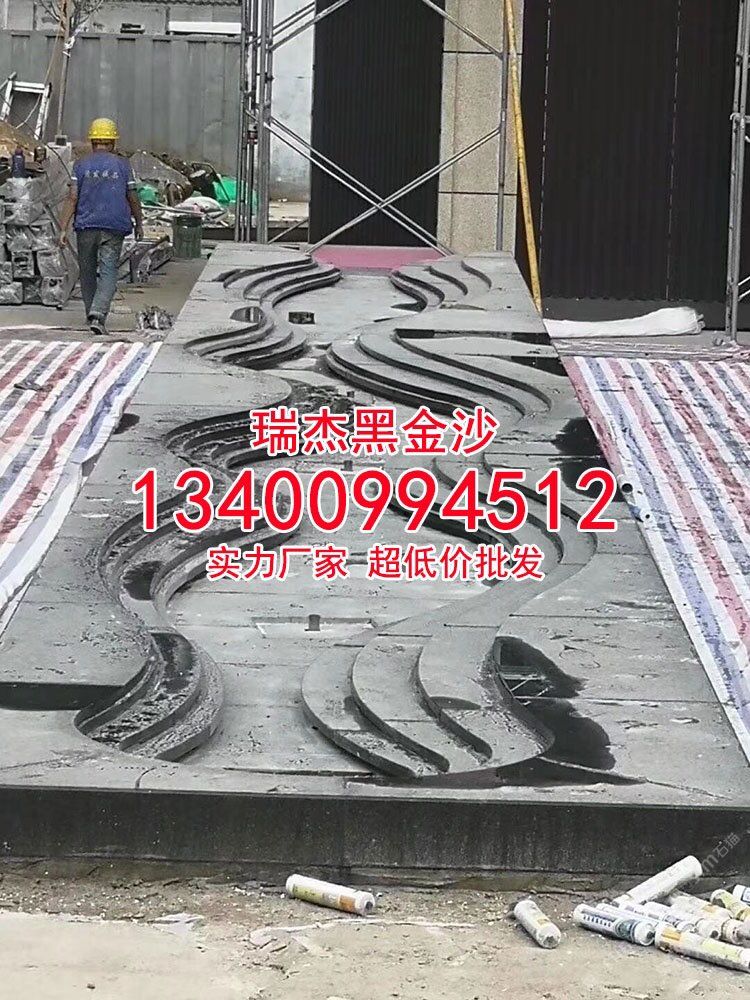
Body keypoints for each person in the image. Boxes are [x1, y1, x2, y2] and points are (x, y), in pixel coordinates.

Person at [59, 118, 143, 336]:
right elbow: (133, 197)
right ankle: (98, 314)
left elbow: (72, 197)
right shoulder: (123, 165)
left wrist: (62, 229)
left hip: (86, 226)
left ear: (93, 141)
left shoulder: (81, 165)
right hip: (114, 226)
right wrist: (139, 223)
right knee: (108, 270)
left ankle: (92, 313)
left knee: (87, 271)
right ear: (113, 142)